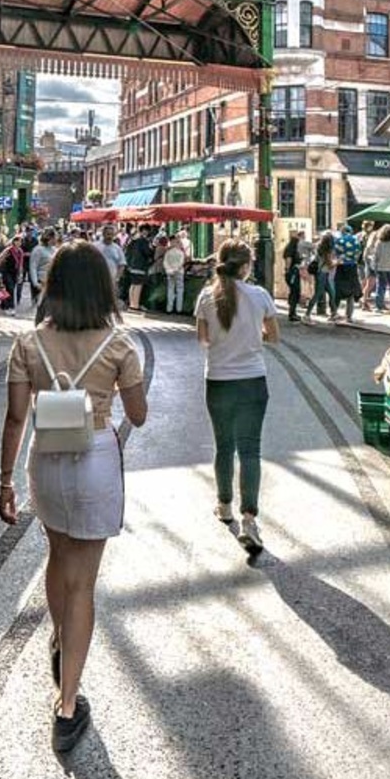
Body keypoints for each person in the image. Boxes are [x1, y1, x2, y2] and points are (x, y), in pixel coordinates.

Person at [0, 243, 147, 753]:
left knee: (57, 556)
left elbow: (16, 418)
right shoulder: (120, 345)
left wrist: (4, 483)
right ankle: (67, 706)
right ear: (103, 288)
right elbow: (141, 414)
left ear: (52, 286)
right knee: (83, 582)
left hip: (46, 459)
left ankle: (61, 639)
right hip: (95, 458)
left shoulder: (28, 345)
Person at [194, 241, 279, 556]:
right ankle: (249, 519)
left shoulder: (206, 297)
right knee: (250, 450)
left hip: (218, 381)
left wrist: (222, 340)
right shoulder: (260, 296)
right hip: (252, 381)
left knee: (224, 446)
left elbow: (202, 339)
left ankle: (224, 505)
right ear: (246, 266)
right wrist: (253, 336)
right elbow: (274, 337)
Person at [331, 225, 362, 323]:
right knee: (351, 292)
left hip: (341, 266)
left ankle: (334, 313)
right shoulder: (356, 240)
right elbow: (359, 253)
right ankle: (349, 316)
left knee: (338, 291)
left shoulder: (339, 240)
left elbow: (335, 252)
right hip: (352, 267)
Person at [280, 228, 309, 322]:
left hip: (292, 272)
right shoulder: (291, 249)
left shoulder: (289, 248)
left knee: (294, 292)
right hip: (293, 272)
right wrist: (288, 269)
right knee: (295, 292)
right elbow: (289, 259)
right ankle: (292, 313)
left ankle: (292, 312)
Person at [158, 232, 190, 314]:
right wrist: (175, 269)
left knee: (170, 289)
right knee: (180, 290)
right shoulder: (181, 253)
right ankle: (179, 309)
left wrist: (169, 270)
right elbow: (181, 263)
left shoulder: (168, 252)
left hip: (169, 272)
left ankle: (169, 308)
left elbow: (165, 262)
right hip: (179, 272)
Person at [311, 231, 338, 320]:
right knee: (318, 294)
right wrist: (338, 262)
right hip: (323, 273)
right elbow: (330, 265)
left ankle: (334, 313)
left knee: (331, 293)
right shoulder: (327, 251)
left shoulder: (319, 247)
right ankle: (307, 314)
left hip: (322, 273)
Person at [0, 235, 27, 311]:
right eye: (17, 241)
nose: (19, 243)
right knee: (10, 288)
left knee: (10, 289)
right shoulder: (9, 250)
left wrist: (20, 273)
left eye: (20, 241)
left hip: (15, 272)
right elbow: (1, 258)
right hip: (7, 271)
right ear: (14, 241)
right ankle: (10, 306)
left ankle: (3, 305)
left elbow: (21, 263)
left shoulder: (20, 251)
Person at [31, 231, 60, 299]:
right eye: (55, 237)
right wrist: (35, 283)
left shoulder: (55, 250)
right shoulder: (38, 250)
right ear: (50, 238)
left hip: (53, 282)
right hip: (41, 282)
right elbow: (33, 267)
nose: (57, 239)